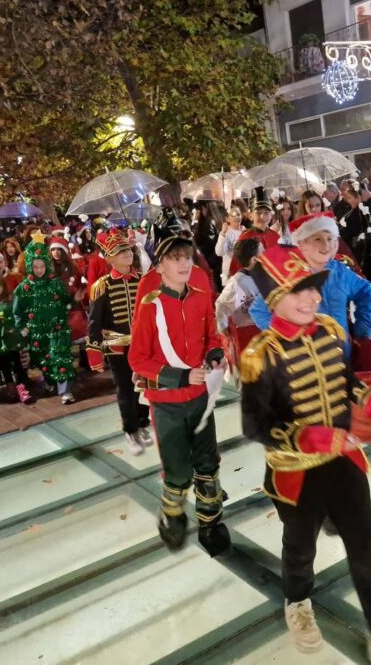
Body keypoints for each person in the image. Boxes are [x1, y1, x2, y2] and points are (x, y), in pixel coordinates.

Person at [240, 244, 371, 664]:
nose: (313, 297)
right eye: (300, 291)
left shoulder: (330, 330)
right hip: (296, 473)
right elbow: (256, 427)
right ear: (274, 299)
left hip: (344, 463)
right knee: (300, 548)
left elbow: (346, 381)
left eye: (314, 288)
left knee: (366, 546)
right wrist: (313, 439)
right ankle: (297, 603)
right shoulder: (261, 355)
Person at [128, 221, 229, 556]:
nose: (185, 263)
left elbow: (211, 334)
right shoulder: (150, 303)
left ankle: (211, 521)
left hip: (200, 396)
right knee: (178, 467)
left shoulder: (200, 291)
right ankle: (172, 514)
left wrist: (214, 353)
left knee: (207, 462)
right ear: (160, 266)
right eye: (175, 258)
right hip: (167, 402)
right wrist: (180, 377)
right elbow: (137, 358)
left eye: (187, 256)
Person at [249, 212, 371, 344]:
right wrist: (287, 335)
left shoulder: (341, 271)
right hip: (305, 354)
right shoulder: (288, 273)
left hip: (342, 352)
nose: (326, 245)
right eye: (317, 239)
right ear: (303, 244)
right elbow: (258, 311)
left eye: (330, 239)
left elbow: (366, 291)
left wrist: (362, 331)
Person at [86, 228, 151, 455]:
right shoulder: (102, 285)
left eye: (128, 250)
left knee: (143, 384)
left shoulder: (143, 280)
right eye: (120, 251)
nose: (127, 254)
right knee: (125, 387)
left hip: (141, 344)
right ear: (109, 258)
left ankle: (142, 423)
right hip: (116, 346)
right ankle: (130, 430)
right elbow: (94, 322)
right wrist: (94, 352)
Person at [13, 232, 77, 404]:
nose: (39, 270)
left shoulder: (55, 284)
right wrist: (22, 327)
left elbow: (66, 301)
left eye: (42, 266)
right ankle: (51, 381)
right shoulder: (23, 288)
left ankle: (66, 391)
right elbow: (17, 311)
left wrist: (73, 301)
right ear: (30, 266)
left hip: (57, 329)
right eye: (36, 267)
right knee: (44, 359)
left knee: (60, 357)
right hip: (37, 332)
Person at [0, 270, 32, 404]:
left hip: (12, 339)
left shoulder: (11, 300)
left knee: (17, 364)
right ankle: (10, 386)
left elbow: (19, 315)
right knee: (4, 365)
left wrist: (18, 328)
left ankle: (21, 388)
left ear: (4, 286)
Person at [215, 237, 262, 332]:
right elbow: (222, 305)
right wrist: (223, 326)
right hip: (248, 330)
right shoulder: (238, 282)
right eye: (263, 252)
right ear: (254, 259)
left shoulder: (264, 274)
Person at [338, 180, 371, 286]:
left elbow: (344, 234)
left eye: (350, 198)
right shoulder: (369, 210)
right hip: (370, 253)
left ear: (358, 197)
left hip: (360, 255)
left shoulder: (355, 215)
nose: (348, 201)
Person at [215, 204, 245, 286]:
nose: (237, 217)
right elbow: (219, 252)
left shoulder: (245, 231)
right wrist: (223, 234)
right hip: (229, 273)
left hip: (243, 274)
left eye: (238, 214)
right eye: (233, 215)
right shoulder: (226, 232)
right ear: (227, 218)